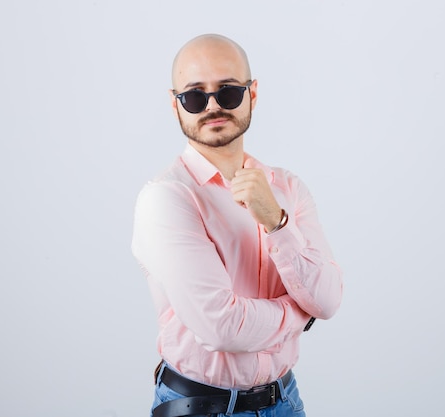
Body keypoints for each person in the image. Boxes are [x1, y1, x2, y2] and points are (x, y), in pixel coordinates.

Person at [131, 33, 343, 417]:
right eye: (195, 96)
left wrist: (277, 222)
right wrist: (301, 313)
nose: (212, 106)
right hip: (200, 407)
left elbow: (328, 299)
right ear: (175, 105)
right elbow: (221, 326)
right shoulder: (167, 198)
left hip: (285, 401)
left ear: (253, 93)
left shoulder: (288, 188)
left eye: (227, 92)